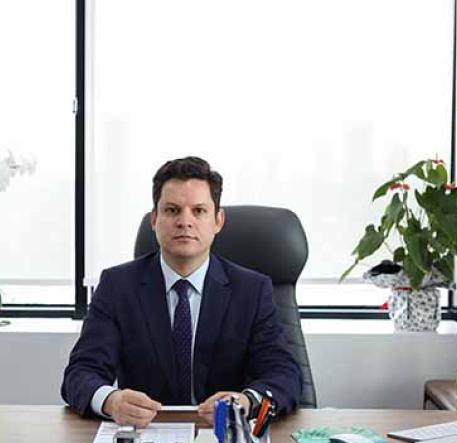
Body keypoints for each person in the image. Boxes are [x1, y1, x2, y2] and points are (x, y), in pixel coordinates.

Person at [61, 156, 302, 427]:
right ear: (154, 219)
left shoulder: (252, 291)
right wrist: (111, 400)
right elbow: (80, 374)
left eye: (198, 211)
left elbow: (284, 375)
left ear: (218, 220)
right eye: (172, 210)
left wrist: (246, 402)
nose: (185, 222)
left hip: (224, 437)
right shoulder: (117, 287)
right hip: (147, 436)